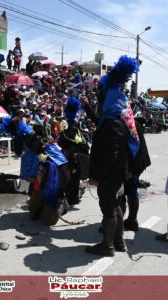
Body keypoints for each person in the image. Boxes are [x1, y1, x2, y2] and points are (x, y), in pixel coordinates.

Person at [87, 55, 140, 257]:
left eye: (102, 95)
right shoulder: (118, 117)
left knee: (108, 205)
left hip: (111, 173)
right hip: (118, 171)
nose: (100, 99)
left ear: (109, 97)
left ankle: (108, 246)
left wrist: (97, 176)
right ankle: (119, 243)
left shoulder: (112, 122)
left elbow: (111, 154)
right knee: (116, 204)